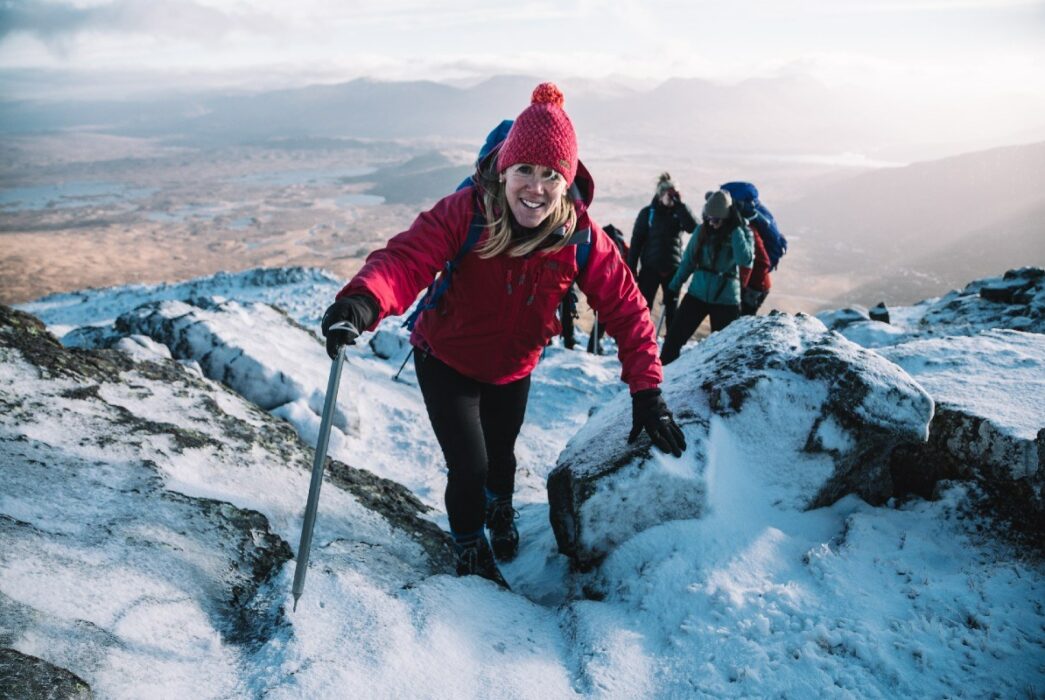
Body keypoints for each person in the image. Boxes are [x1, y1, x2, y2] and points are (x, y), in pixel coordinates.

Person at [320, 83, 686, 588]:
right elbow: (407, 260)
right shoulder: (467, 211)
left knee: (502, 455)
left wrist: (648, 392)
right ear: (504, 170)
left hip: (513, 366)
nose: (535, 187)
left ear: (567, 179)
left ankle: (501, 508)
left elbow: (626, 307)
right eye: (525, 171)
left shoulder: (580, 236)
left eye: (550, 174)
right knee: (469, 465)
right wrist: (362, 302)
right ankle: (470, 543)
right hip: (445, 358)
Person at [659, 190, 754, 365]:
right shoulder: (703, 231)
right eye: (709, 218)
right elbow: (687, 261)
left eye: (716, 219)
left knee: (724, 351)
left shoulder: (741, 232)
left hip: (726, 300)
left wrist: (735, 231)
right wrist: (673, 287)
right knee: (673, 339)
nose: (711, 222)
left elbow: (745, 260)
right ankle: (662, 378)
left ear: (726, 217)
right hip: (697, 293)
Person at [627, 173, 698, 336]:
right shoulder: (647, 213)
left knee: (672, 310)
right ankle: (640, 339)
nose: (672, 198)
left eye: (675, 194)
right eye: (669, 194)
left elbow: (694, 229)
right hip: (650, 268)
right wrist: (631, 269)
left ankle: (669, 348)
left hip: (673, 269)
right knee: (643, 307)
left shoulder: (680, 212)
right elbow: (636, 242)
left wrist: (681, 206)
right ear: (660, 194)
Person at [587, 223, 629, 354]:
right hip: (617, 282)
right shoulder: (622, 245)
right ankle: (619, 342)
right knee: (617, 314)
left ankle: (593, 345)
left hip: (600, 282)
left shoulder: (598, 242)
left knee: (601, 315)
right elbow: (628, 263)